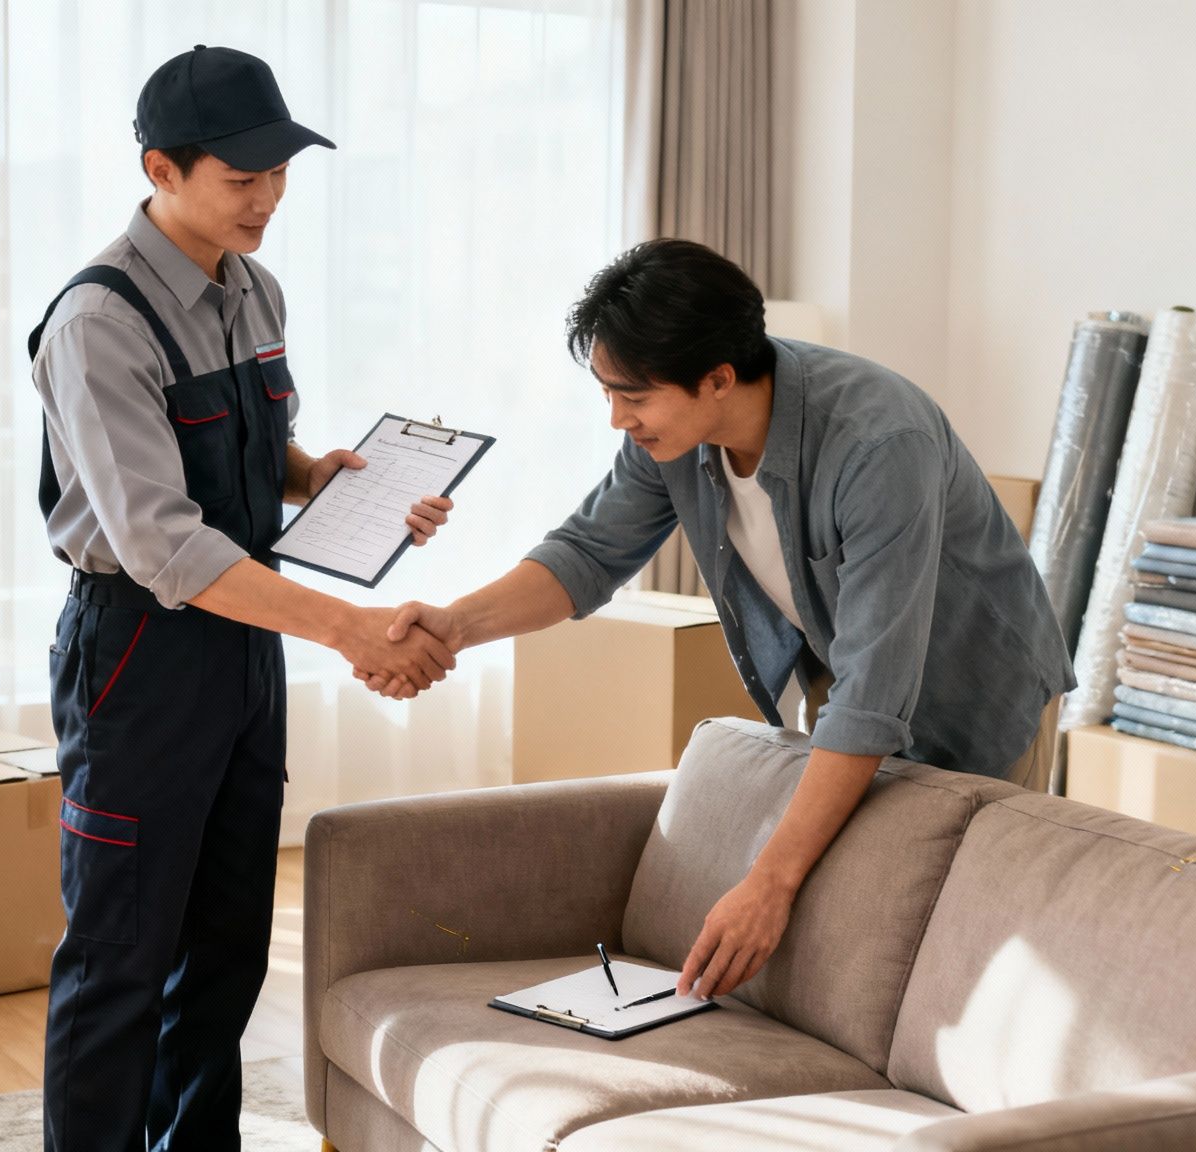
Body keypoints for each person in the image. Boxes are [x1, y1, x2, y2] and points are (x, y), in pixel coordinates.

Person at [365, 238, 1073, 1004]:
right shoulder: (671, 435)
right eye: (606, 392)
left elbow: (873, 697)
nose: (616, 419)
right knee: (865, 916)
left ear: (719, 378)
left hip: (980, 686)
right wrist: (455, 625)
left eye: (632, 396)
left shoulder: (877, 442)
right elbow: (587, 555)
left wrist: (766, 880)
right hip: (849, 671)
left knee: (972, 937)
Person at [26, 45, 455, 1152]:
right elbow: (162, 541)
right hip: (137, 651)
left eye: (278, 173)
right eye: (239, 177)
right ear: (160, 169)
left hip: (242, 647)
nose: (265, 198)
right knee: (120, 951)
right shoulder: (97, 323)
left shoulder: (252, 287)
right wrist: (356, 629)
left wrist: (326, 480)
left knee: (227, 944)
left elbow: (245, 463)